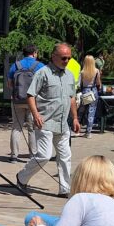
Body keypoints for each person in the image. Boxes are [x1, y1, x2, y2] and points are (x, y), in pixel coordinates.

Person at [17, 43, 80, 197]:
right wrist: (36, 115)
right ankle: (21, 178)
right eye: (64, 58)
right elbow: (30, 95)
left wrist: (75, 118)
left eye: (69, 58)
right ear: (54, 56)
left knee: (65, 156)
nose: (66, 61)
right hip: (45, 121)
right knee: (44, 155)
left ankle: (64, 188)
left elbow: (71, 98)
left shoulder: (70, 75)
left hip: (62, 123)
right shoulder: (43, 73)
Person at [7, 45, 44, 162]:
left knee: (16, 128)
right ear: (34, 53)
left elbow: (9, 84)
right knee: (32, 128)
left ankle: (14, 156)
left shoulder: (15, 65)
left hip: (17, 100)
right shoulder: (39, 66)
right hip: (33, 101)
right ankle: (32, 154)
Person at [77, 55, 102, 138]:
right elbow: (98, 83)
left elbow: (79, 84)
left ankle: (77, 129)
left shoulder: (82, 72)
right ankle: (88, 132)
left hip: (85, 91)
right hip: (93, 91)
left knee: (81, 111)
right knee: (92, 112)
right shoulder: (96, 71)